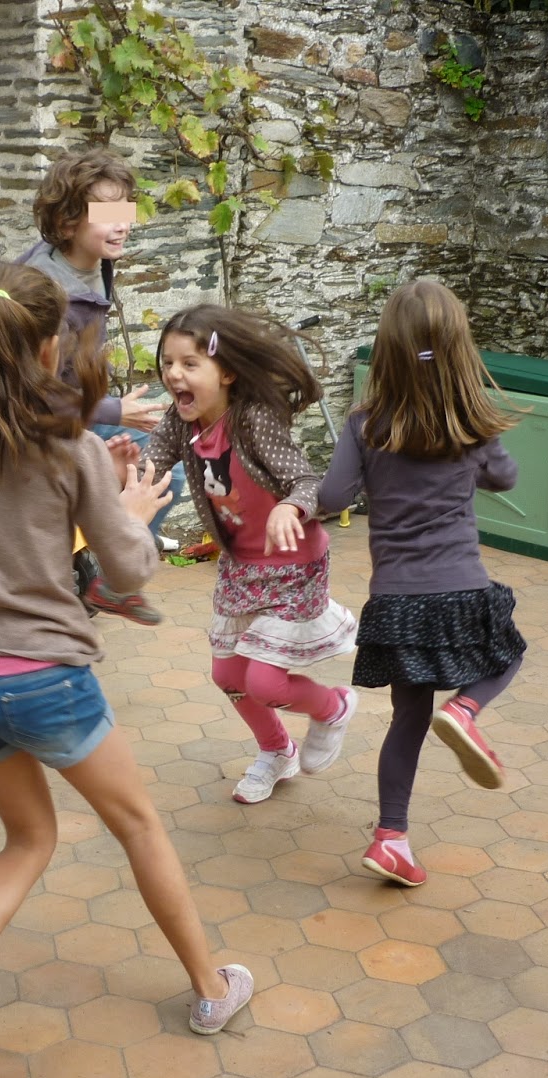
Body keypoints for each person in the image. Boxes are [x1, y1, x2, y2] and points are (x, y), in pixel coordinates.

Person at [0, 263, 254, 1078]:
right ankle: (210, 987)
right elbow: (129, 569)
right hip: (46, 680)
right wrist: (134, 510)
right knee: (139, 825)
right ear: (52, 345)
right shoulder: (71, 445)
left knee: (28, 838)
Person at [317, 280, 526, 888]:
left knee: (408, 717)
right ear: (460, 349)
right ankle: (466, 708)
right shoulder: (471, 425)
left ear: (386, 349)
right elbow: (506, 479)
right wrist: (473, 441)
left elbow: (333, 495)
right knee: (509, 653)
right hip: (459, 588)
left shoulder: (365, 425)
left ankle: (391, 839)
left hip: (396, 601)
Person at [0, 146, 179, 625]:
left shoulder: (73, 258)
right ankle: (100, 564)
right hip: (46, 415)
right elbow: (38, 394)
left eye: (125, 212)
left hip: (77, 403)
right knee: (155, 474)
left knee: (159, 469)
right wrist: (113, 411)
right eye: (106, 215)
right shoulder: (53, 298)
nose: (122, 225)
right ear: (67, 223)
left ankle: (93, 561)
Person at [135, 306, 360, 806]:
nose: (173, 374)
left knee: (264, 680)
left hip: (293, 566)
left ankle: (332, 707)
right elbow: (150, 465)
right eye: (168, 363)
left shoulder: (253, 420)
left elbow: (307, 481)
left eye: (189, 363)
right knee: (229, 677)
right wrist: (123, 470)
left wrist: (289, 506)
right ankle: (278, 751)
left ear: (227, 372)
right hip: (241, 566)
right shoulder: (181, 420)